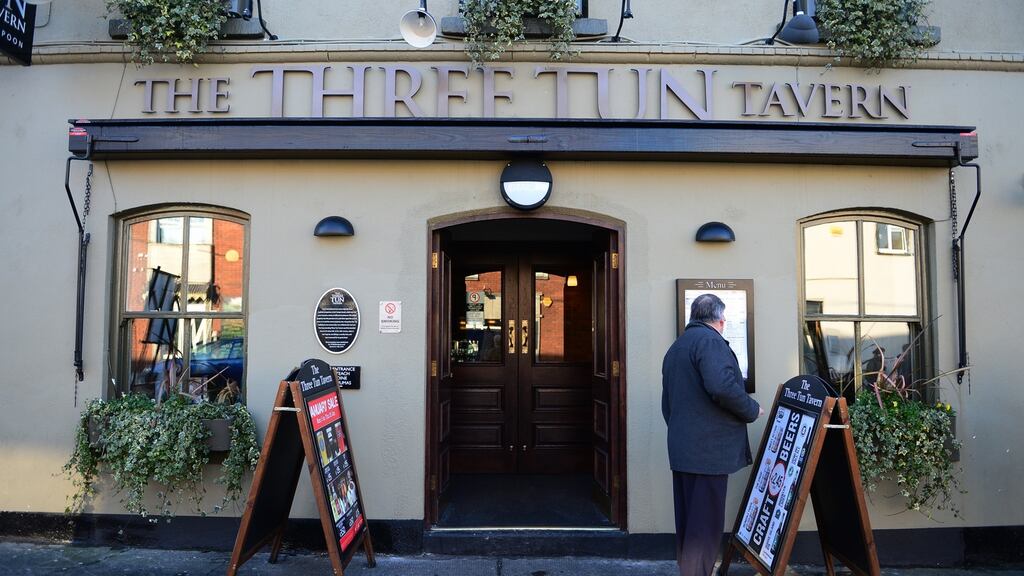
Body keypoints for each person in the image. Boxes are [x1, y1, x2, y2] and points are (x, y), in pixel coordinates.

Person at [662, 293, 763, 576]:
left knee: (690, 523)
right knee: (705, 526)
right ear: (720, 320)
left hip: (683, 449)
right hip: (708, 452)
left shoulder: (677, 346)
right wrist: (752, 410)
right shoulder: (710, 342)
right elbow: (722, 387)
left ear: (694, 316)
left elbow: (667, 404)